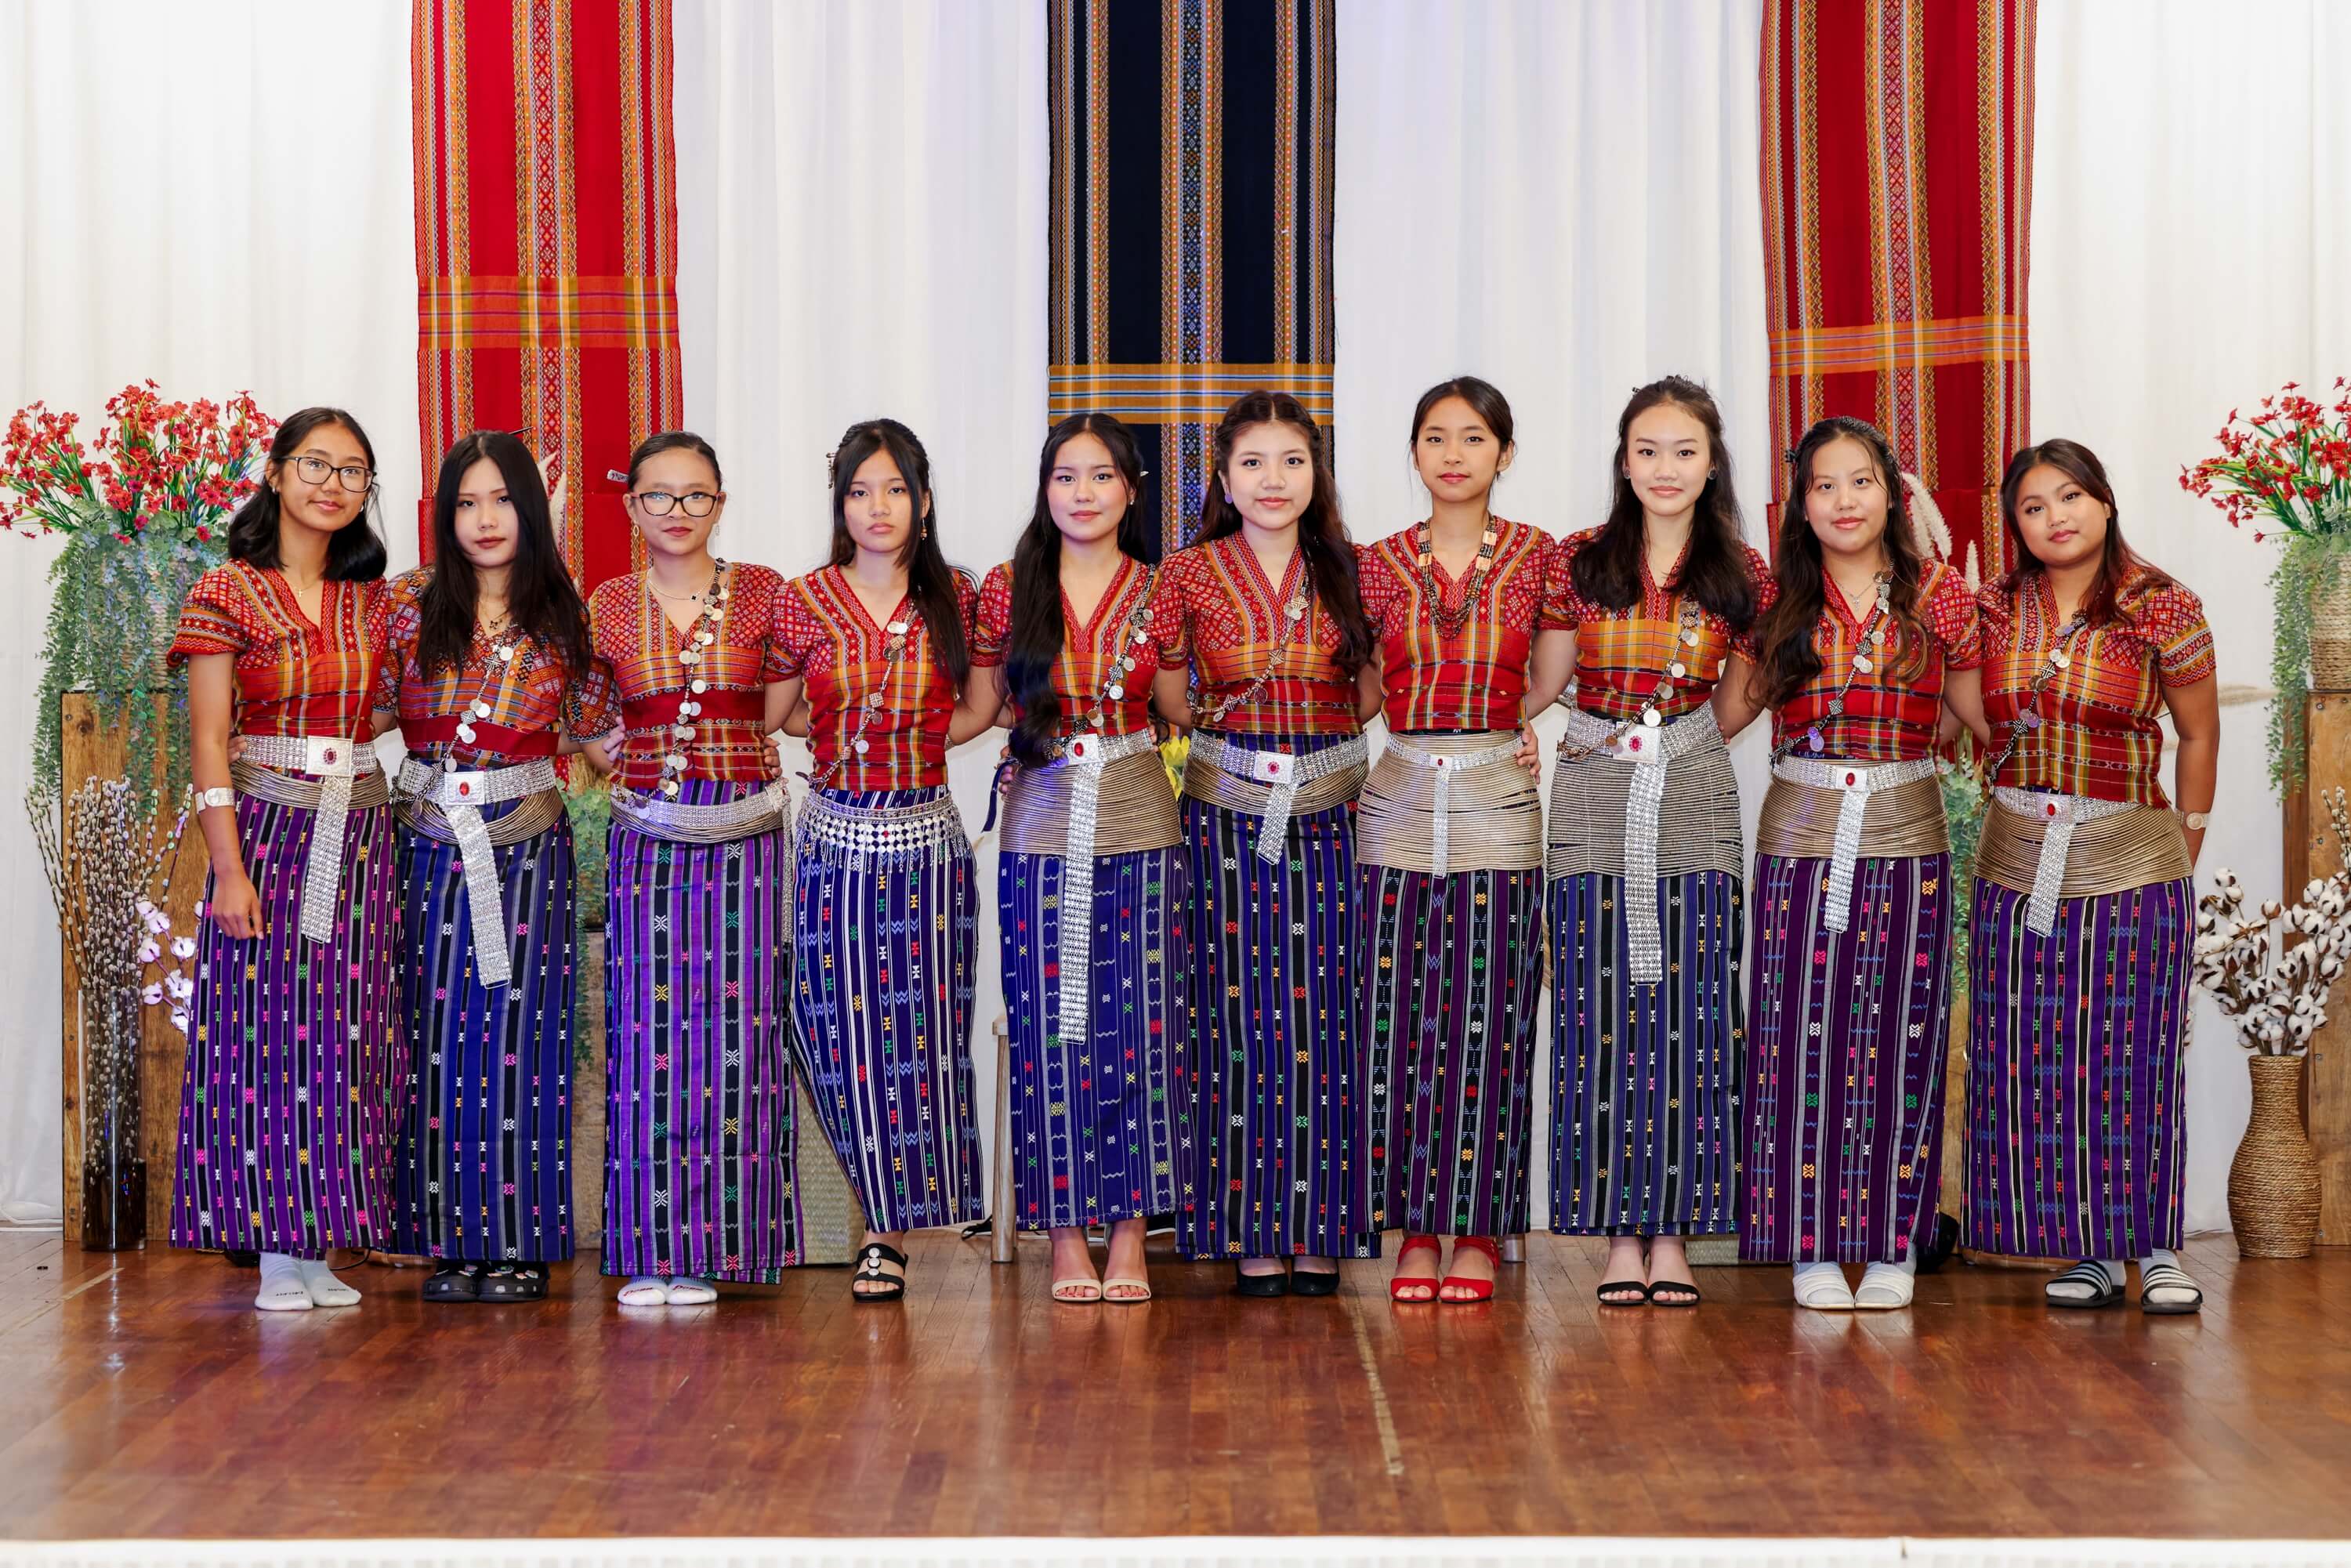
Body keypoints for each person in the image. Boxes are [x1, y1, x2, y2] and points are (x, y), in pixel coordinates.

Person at [587, 431, 859, 1308]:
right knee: (647, 1038)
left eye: (695, 495)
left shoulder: (766, 594)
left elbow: (782, 709)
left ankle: (714, 1246)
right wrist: (620, 755)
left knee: (735, 1038)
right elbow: (588, 717)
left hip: (745, 841)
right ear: (631, 505)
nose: (677, 511)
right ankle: (648, 1248)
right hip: (645, 843)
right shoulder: (607, 604)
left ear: (720, 503)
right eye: (658, 495)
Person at [1732, 415, 1987, 1310]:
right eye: (1823, 485)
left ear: (1893, 493)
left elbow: (1972, 715)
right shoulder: (1774, 601)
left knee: (1905, 1036)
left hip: (1907, 834)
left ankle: (1892, 1244)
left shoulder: (1940, 596)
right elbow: (1725, 712)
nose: (1844, 501)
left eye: (1861, 481)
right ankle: (1809, 1245)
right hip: (1800, 834)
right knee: (1796, 1035)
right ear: (1801, 504)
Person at [1964, 438, 2219, 1314]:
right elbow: (1972, 711)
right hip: (2018, 861)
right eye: (2033, 507)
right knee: (2040, 1056)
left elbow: (2199, 733)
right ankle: (2088, 1251)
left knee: (2135, 1056)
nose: (2056, 518)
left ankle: (2156, 1249)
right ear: (2017, 525)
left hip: (2131, 858)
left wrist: (2183, 842)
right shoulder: (1997, 607)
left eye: (2070, 497)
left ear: (2105, 502)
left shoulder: (2160, 603)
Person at [1538, 375, 1772, 1308]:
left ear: (1712, 464)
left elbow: (1740, 697)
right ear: (1624, 462)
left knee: (1694, 1013)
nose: (1665, 468)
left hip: (1695, 800)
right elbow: (1548, 679)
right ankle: (1615, 1237)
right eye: (1647, 450)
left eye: (1684, 451)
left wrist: (1672, 745)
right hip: (1591, 799)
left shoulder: (1744, 571)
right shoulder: (1578, 560)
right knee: (1594, 1010)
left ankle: (1674, 1234)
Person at [377, 432, 618, 1302]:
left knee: (522, 1041)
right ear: (445, 516)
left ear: (534, 509)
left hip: (528, 846)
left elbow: (600, 736)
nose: (485, 519)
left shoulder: (564, 613)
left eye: (504, 500)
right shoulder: (405, 604)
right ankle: (446, 1242)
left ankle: (515, 1244)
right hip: (423, 843)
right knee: (431, 1038)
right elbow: (362, 708)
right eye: (467, 503)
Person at [168, 407, 397, 1311]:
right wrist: (228, 869)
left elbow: (387, 708)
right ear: (274, 473)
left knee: (347, 1036)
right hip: (266, 835)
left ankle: (317, 1249)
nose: (333, 484)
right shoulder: (225, 591)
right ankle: (272, 1250)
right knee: (262, 1038)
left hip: (361, 835)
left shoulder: (374, 601)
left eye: (353, 471)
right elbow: (208, 740)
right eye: (315, 464)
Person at [1152, 389, 1380, 1297]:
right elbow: (1173, 697)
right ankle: (1249, 1230)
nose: (1273, 479)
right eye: (1253, 462)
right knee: (1234, 1016)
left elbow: (1371, 691)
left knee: (1328, 1016)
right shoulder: (1186, 573)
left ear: (1317, 473)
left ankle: (1322, 1230)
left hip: (1333, 818)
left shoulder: (1355, 570)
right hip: (1223, 822)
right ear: (1223, 476)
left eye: (1292, 460)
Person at [962, 412, 1188, 1304]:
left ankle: (1130, 1232)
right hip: (1040, 823)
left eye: (1101, 477)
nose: (1083, 493)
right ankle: (1063, 1233)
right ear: (1045, 488)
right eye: (1066, 476)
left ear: (1132, 490)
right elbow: (978, 709)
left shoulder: (1162, 588)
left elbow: (1183, 706)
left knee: (1143, 1027)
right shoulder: (1006, 588)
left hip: (1142, 819)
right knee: (1050, 1028)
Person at [773, 418, 993, 1302]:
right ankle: (880, 1202)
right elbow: (779, 712)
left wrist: (913, 743)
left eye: (895, 489)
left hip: (926, 848)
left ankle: (885, 1233)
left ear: (924, 502)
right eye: (860, 491)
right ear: (840, 505)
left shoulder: (958, 597)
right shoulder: (803, 598)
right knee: (828, 1029)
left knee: (918, 1035)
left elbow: (981, 708)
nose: (878, 507)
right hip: (831, 844)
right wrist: (841, 742)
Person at [1353, 376, 1561, 1304]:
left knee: (1492, 1016)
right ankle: (1414, 1232)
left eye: (1473, 437)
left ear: (1504, 453)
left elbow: (1548, 673)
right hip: (1398, 794)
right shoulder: (1376, 564)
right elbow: (1365, 685)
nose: (1452, 454)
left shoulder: (1539, 556)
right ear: (1414, 451)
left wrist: (1506, 727)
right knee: (1399, 1018)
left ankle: (1477, 1229)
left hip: (1496, 798)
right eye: (1434, 436)